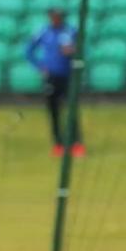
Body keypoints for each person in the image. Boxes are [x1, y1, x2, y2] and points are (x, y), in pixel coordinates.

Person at [25, 8, 83, 157]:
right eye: (53, 16)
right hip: (51, 76)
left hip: (68, 75)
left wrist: (73, 52)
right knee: (53, 111)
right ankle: (58, 144)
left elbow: (82, 50)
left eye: (58, 16)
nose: (56, 19)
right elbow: (28, 51)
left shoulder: (71, 31)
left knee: (72, 109)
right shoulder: (43, 32)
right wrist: (39, 66)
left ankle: (76, 143)